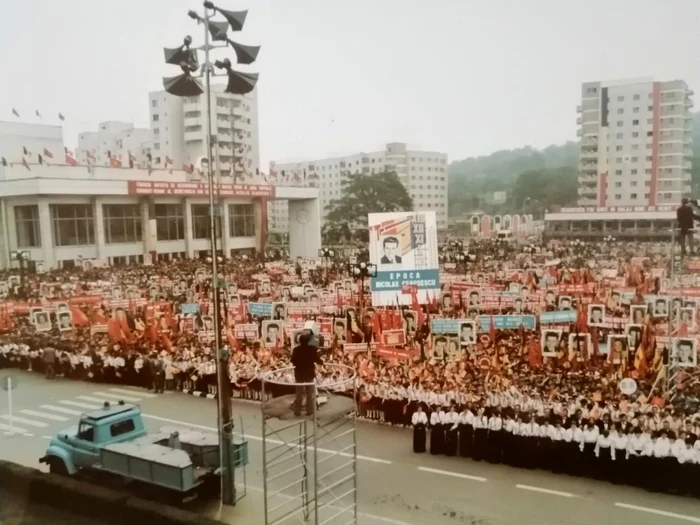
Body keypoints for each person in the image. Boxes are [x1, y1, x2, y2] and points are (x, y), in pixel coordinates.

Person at [291, 326, 323, 416]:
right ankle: (309, 410)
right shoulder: (312, 349)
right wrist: (321, 362)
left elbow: (293, 361)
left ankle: (297, 411)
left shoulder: (296, 350)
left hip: (299, 374)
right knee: (310, 393)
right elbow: (318, 360)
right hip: (308, 374)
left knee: (299, 393)